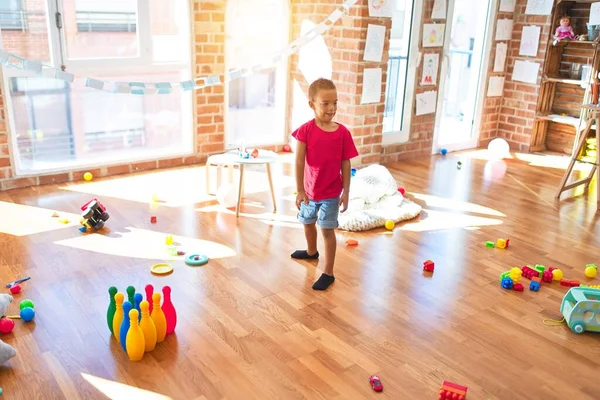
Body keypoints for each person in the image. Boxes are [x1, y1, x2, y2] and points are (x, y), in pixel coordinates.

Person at [290, 78, 359, 290]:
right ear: (312, 104)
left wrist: (346, 192)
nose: (332, 108)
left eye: (335, 103)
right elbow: (299, 161)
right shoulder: (305, 131)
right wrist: (300, 190)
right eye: (325, 103)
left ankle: (328, 272)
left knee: (327, 231)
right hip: (310, 192)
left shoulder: (342, 133)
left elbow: (345, 163)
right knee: (307, 222)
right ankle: (312, 252)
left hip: (331, 193)